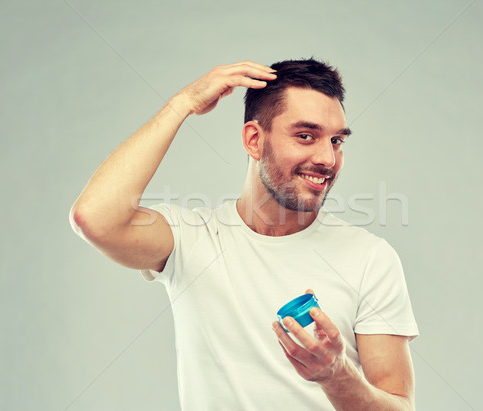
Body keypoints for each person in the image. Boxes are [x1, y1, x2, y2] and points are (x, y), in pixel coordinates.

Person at [70, 59, 419, 410]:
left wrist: (335, 375)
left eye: (337, 140)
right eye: (305, 136)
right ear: (254, 140)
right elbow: (95, 219)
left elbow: (400, 406)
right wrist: (183, 104)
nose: (328, 158)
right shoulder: (192, 239)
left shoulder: (370, 258)